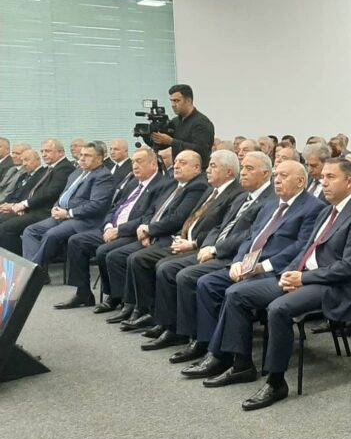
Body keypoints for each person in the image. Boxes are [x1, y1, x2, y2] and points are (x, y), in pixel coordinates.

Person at [203, 158, 351, 411]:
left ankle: (276, 382)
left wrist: (303, 278)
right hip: (303, 277)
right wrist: (290, 273)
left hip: (332, 286)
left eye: (330, 177)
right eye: (323, 177)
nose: (323, 182)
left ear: (349, 181)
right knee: (236, 293)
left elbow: (347, 268)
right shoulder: (328, 211)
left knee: (279, 308)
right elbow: (305, 250)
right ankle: (241, 365)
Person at [178, 160, 325, 375]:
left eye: (283, 176)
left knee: (234, 293)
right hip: (249, 265)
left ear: (301, 181)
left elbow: (300, 248)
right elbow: (250, 238)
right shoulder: (271, 204)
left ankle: (234, 361)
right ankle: (210, 347)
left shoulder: (313, 208)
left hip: (275, 270)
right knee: (207, 283)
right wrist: (239, 261)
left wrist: (262, 267)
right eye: (275, 176)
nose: (277, 180)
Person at [154, 152, 276, 361]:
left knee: (188, 277)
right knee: (167, 268)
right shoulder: (244, 196)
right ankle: (178, 330)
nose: (243, 173)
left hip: (234, 255)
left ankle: (202, 341)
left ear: (266, 174)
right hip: (216, 249)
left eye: (249, 169)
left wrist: (216, 250)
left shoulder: (270, 200)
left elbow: (251, 235)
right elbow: (220, 226)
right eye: (243, 168)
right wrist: (207, 246)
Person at [126, 150, 244, 342]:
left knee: (165, 267)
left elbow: (220, 228)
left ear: (229, 172)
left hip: (203, 246)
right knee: (146, 260)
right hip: (186, 240)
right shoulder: (211, 189)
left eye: (213, 166)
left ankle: (176, 329)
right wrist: (181, 236)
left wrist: (194, 243)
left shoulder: (236, 193)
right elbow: (191, 218)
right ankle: (161, 320)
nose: (208, 170)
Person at [107, 150, 210, 329]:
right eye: (176, 162)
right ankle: (133, 305)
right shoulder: (174, 184)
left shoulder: (197, 186)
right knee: (121, 255)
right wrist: (146, 229)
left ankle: (146, 310)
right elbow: (152, 210)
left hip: (171, 236)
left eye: (183, 163)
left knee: (137, 259)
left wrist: (150, 231)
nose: (176, 166)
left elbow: (177, 219)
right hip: (154, 233)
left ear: (196, 168)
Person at [72, 149, 170, 314]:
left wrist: (119, 230)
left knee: (105, 252)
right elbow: (114, 207)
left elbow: (148, 217)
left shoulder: (162, 185)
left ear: (153, 164)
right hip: (112, 228)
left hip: (132, 232)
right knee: (77, 241)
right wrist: (108, 226)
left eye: (139, 161)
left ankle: (118, 297)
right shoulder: (133, 182)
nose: (135, 165)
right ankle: (83, 293)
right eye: (133, 162)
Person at [22, 141, 115, 280]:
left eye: (88, 156)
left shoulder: (103, 176)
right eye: (81, 155)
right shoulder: (77, 172)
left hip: (84, 220)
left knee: (51, 234)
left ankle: (32, 275)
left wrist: (68, 213)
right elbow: (64, 194)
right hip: (62, 215)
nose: (82, 158)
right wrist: (55, 207)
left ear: (100, 158)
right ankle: (37, 272)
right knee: (30, 231)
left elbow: (97, 205)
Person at [0, 139, 76, 254]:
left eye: (48, 151)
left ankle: (23, 260)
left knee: (6, 228)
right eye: (42, 151)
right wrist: (23, 206)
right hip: (34, 209)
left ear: (61, 152)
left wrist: (25, 205)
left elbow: (51, 193)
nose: (44, 154)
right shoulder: (51, 168)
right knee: (5, 224)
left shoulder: (64, 168)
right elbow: (37, 192)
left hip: (46, 212)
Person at [149, 84, 214, 168]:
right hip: (178, 170)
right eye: (171, 101)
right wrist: (151, 136)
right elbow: (161, 145)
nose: (173, 104)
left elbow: (201, 150)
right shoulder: (175, 121)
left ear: (188, 101)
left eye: (176, 101)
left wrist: (171, 142)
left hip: (197, 172)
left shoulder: (202, 123)